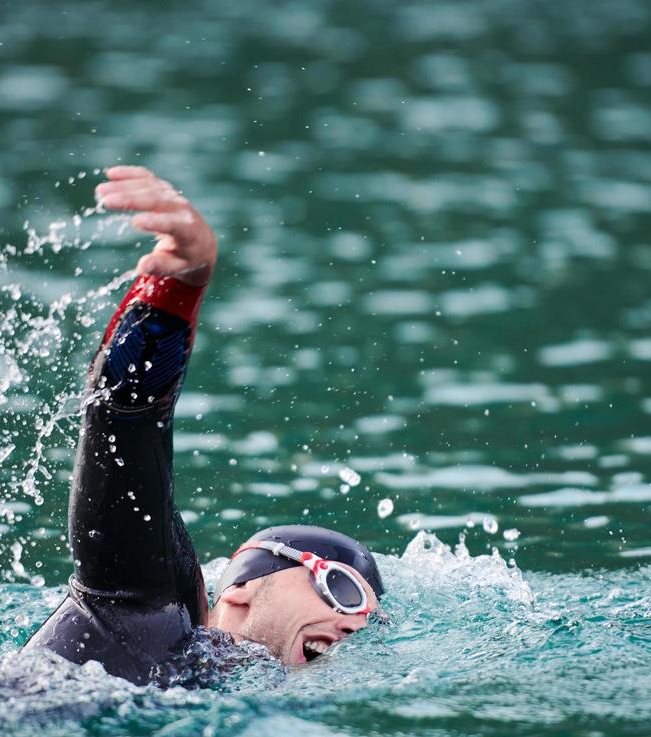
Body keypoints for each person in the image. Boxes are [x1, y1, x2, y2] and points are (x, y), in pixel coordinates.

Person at [26, 166, 385, 685]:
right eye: (342, 591)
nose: (354, 625)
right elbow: (125, 417)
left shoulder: (213, 682)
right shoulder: (150, 610)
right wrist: (178, 284)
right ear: (241, 589)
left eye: (368, 622)